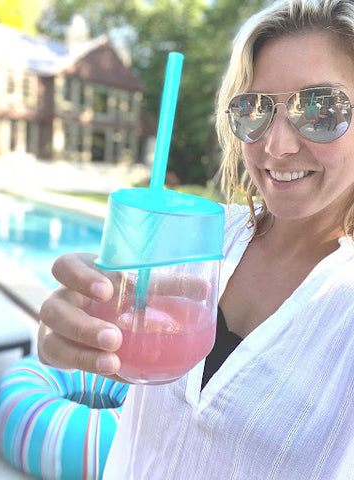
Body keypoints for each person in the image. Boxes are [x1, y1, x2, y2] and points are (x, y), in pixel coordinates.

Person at [38, 0, 354, 477]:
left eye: (320, 109)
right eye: (254, 110)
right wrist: (65, 325)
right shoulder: (197, 234)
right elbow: (100, 334)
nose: (276, 145)